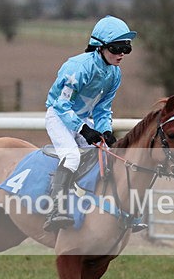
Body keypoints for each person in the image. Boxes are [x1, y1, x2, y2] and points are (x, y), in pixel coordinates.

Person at [42, 15, 136, 232]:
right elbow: (62, 105)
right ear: (100, 47)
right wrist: (84, 129)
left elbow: (103, 108)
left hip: (83, 119)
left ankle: (116, 212)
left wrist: (105, 130)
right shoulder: (77, 67)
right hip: (58, 116)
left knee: (105, 156)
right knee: (72, 156)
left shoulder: (114, 73)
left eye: (127, 48)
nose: (121, 54)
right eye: (116, 48)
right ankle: (56, 210)